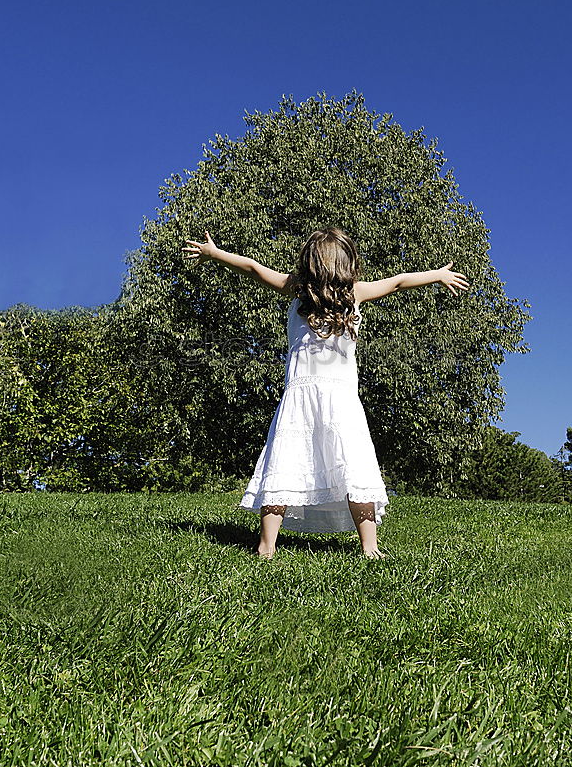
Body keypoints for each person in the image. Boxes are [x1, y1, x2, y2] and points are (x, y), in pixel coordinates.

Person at [182, 226, 470, 560]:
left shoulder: (300, 290)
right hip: (336, 399)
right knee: (353, 465)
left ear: (309, 262)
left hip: (308, 398)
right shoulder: (349, 293)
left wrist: (214, 253)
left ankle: (267, 546)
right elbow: (398, 281)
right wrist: (435, 275)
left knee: (285, 464)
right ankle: (369, 547)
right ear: (347, 263)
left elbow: (253, 268)